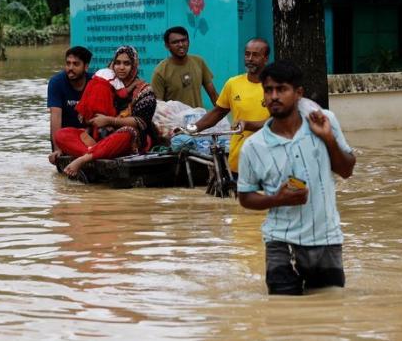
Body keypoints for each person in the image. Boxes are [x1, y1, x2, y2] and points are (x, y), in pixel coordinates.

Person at [237, 60, 356, 295]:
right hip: (280, 241)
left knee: (328, 312)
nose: (274, 96)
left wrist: (328, 139)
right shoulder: (253, 146)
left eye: (281, 89)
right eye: (268, 90)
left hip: (326, 238)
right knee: (283, 315)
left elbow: (346, 170)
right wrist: (277, 199)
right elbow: (245, 197)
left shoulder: (325, 122)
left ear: (298, 93)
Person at [55, 45, 157, 178]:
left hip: (128, 141)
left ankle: (84, 159)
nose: (121, 67)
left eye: (126, 63)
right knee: (61, 134)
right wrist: (90, 118)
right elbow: (84, 117)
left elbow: (140, 122)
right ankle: (96, 152)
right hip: (99, 140)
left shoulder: (145, 90)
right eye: (118, 63)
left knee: (128, 132)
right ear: (112, 64)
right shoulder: (104, 83)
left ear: (134, 66)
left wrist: (110, 120)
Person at [193, 37, 271, 175]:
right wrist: (193, 128)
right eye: (247, 54)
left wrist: (248, 124)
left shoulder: (274, 87)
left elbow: (278, 123)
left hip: (268, 161)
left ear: (266, 58)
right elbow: (218, 112)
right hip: (238, 160)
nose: (250, 59)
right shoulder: (233, 83)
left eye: (255, 55)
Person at [151, 26, 218, 109]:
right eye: (175, 42)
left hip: (199, 120)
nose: (181, 45)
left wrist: (222, 116)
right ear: (167, 46)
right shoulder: (160, 72)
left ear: (188, 42)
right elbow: (158, 106)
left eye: (183, 40)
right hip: (175, 121)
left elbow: (213, 94)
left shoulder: (199, 62)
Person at [47, 46, 93, 165]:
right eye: (68, 63)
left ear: (86, 66)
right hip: (64, 137)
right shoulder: (56, 82)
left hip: (88, 134)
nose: (70, 68)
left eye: (76, 64)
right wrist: (57, 149)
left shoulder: (94, 82)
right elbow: (55, 116)